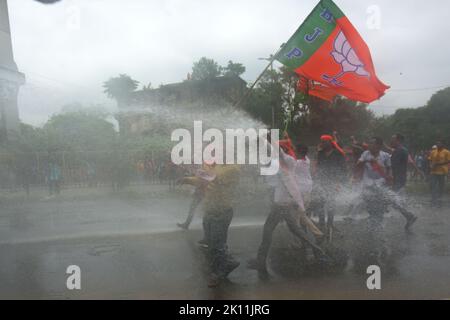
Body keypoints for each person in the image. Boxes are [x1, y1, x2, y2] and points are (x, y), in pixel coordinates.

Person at [248, 138, 325, 279]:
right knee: (296, 230)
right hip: (283, 203)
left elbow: (280, 155)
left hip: (281, 204)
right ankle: (317, 249)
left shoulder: (289, 161)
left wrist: (268, 141)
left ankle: (260, 261)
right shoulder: (281, 163)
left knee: (268, 231)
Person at [179, 163, 241, 287]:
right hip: (210, 211)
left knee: (217, 245)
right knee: (212, 243)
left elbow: (215, 177)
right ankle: (228, 262)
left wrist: (206, 172)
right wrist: (187, 180)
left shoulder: (232, 168)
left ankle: (220, 272)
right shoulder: (214, 167)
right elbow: (202, 180)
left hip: (222, 211)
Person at [314, 134, 347, 241]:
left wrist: (339, 182)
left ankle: (330, 223)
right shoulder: (320, 153)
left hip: (334, 182)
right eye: (321, 142)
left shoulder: (338, 153)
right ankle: (321, 223)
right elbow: (318, 168)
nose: (322, 144)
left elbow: (343, 169)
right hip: (322, 181)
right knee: (320, 202)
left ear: (330, 142)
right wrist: (316, 180)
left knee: (331, 202)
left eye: (324, 142)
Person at [389, 134, 418, 229]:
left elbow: (395, 166)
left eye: (392, 140)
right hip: (399, 179)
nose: (391, 141)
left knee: (389, 198)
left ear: (398, 141)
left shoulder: (400, 151)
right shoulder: (400, 150)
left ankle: (409, 216)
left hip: (398, 179)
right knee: (391, 199)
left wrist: (391, 178)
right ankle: (408, 215)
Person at [428, 141, 450, 207]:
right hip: (433, 171)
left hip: (442, 171)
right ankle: (433, 198)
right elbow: (430, 159)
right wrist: (430, 165)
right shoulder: (433, 152)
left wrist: (438, 164)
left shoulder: (447, 152)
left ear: (442, 144)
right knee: (432, 185)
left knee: (441, 185)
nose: (438, 145)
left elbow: (448, 161)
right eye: (437, 144)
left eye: (439, 143)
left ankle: (440, 198)